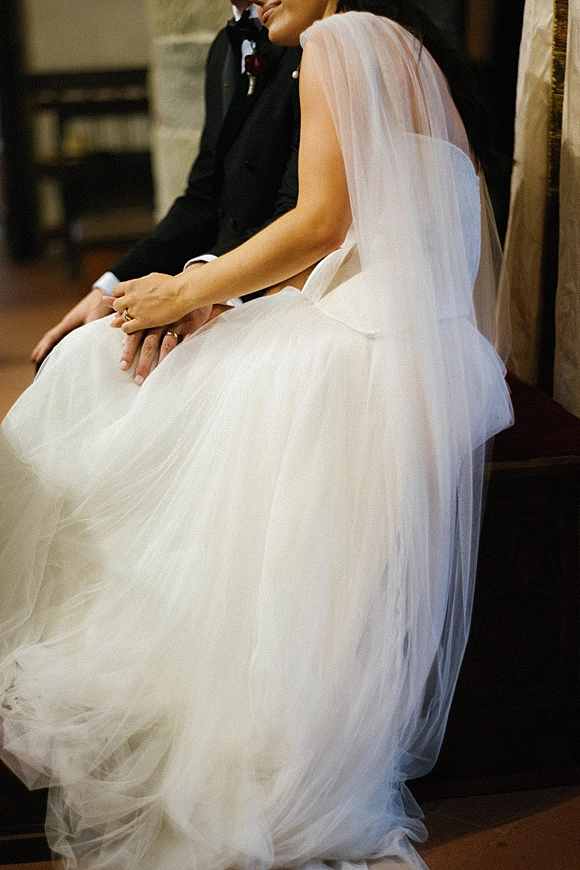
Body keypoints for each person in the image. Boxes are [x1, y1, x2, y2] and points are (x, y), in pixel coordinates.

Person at [0, 2, 513, 869]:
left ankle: (162, 690)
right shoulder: (409, 49)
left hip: (357, 346)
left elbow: (319, 223)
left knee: (102, 381)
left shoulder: (338, 41)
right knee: (116, 362)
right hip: (428, 346)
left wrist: (188, 294)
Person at [31, 2, 302, 383]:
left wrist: (195, 291)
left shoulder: (306, 35)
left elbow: (301, 210)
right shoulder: (224, 51)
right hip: (220, 278)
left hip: (274, 286)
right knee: (71, 359)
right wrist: (109, 288)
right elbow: (202, 198)